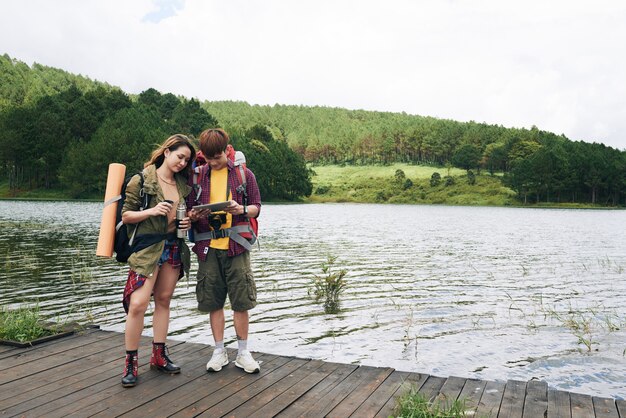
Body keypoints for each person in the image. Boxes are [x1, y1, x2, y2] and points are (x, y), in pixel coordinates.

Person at [120, 134, 195, 387]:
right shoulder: (141, 180)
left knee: (164, 300)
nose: (183, 162)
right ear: (166, 152)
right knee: (138, 304)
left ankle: (158, 355)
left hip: (173, 246)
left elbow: (182, 217)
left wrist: (187, 222)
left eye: (186, 159)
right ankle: (131, 362)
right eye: (179, 156)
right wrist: (151, 210)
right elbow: (126, 216)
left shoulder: (183, 185)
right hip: (147, 249)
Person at [186, 128, 262, 374]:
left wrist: (241, 209)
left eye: (217, 156)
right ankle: (219, 351)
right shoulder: (196, 176)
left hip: (237, 245)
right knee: (213, 301)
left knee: (241, 301)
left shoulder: (243, 174)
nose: (213, 162)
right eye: (208, 158)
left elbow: (257, 208)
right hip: (207, 247)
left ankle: (243, 352)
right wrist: (194, 214)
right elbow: (187, 210)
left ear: (226, 150)